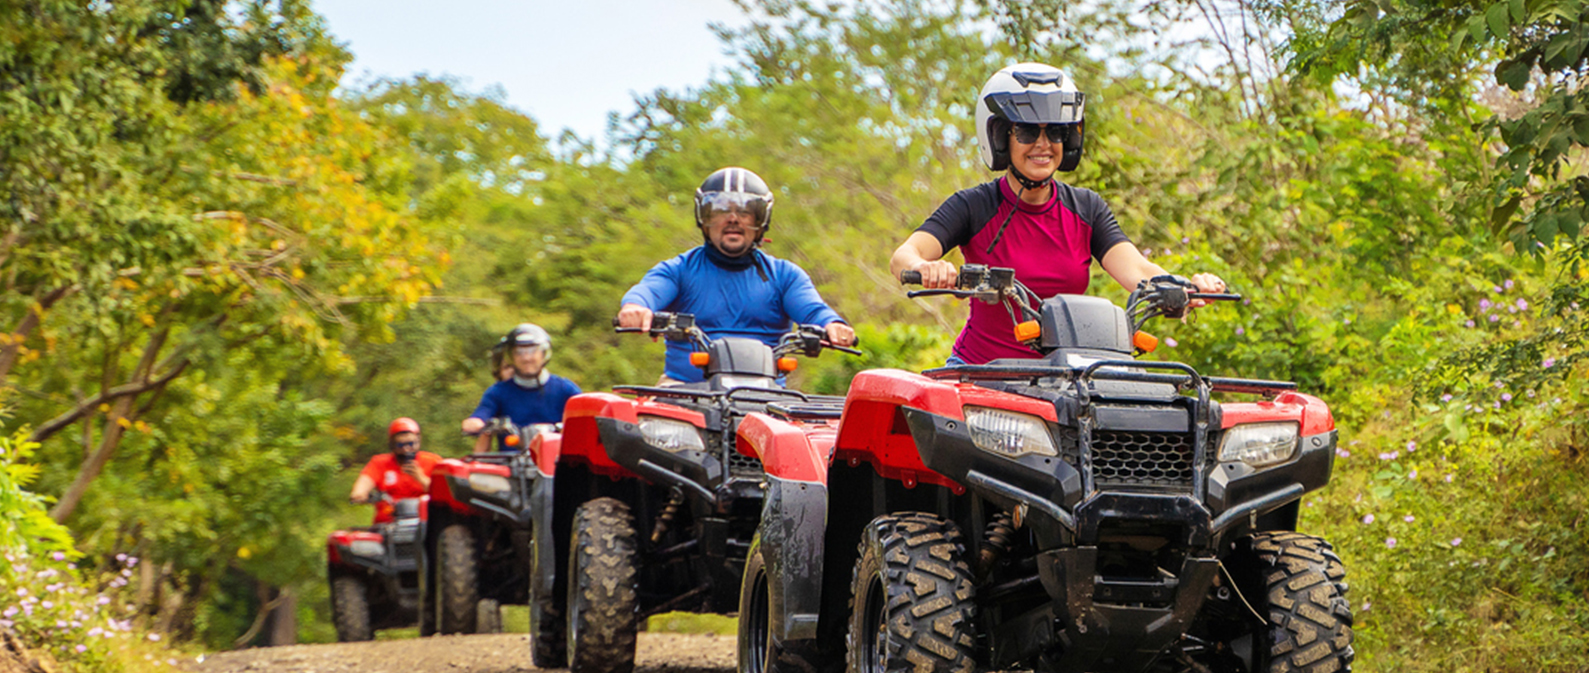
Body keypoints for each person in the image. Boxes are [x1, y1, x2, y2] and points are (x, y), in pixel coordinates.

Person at [888, 63, 1227, 366]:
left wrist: (1183, 286)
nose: (1043, 143)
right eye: (1027, 132)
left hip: (1063, 377)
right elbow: (903, 256)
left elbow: (1137, 269)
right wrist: (924, 267)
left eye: (1055, 132)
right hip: (980, 375)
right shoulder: (974, 205)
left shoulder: (1086, 208)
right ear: (1000, 137)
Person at [617, 167, 858, 383]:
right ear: (704, 219)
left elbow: (814, 310)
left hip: (768, 402)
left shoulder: (786, 276)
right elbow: (648, 290)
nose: (733, 219)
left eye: (745, 212)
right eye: (721, 210)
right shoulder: (679, 269)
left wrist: (833, 325)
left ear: (761, 221)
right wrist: (635, 307)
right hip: (683, 396)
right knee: (642, 427)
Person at [464, 323, 581, 451]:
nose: (526, 358)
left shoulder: (565, 389)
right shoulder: (498, 392)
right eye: (519, 352)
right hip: (513, 465)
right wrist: (475, 423)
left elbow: (587, 416)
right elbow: (482, 413)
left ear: (543, 353)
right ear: (511, 356)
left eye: (532, 351)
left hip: (559, 464)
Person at [350, 417, 440, 521]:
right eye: (400, 445)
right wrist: (360, 495)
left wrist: (420, 478)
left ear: (418, 441)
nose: (406, 449)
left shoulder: (433, 461)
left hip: (424, 522)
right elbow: (361, 487)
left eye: (410, 444)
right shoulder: (379, 463)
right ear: (392, 444)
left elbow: (444, 493)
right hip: (388, 523)